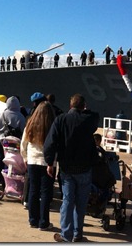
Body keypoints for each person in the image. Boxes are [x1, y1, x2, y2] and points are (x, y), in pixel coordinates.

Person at [43, 93, 99, 243]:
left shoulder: (60, 120)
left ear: (70, 106)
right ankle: (78, 233)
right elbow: (96, 116)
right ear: (83, 106)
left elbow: (50, 143)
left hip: (67, 168)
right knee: (81, 203)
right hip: (85, 168)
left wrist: (50, 162)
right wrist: (85, 110)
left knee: (67, 201)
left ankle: (66, 234)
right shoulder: (88, 120)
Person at [21, 101, 56, 230]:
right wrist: (53, 162)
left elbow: (23, 143)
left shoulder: (30, 124)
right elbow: (54, 146)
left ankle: (32, 220)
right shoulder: (52, 126)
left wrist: (25, 157)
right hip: (47, 162)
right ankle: (44, 222)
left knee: (33, 191)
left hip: (32, 161)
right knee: (46, 193)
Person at [0, 96, 26, 191]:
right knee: (10, 162)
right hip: (14, 142)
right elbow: (24, 132)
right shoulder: (21, 117)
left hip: (1, 140)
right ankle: (7, 184)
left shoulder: (2, 114)